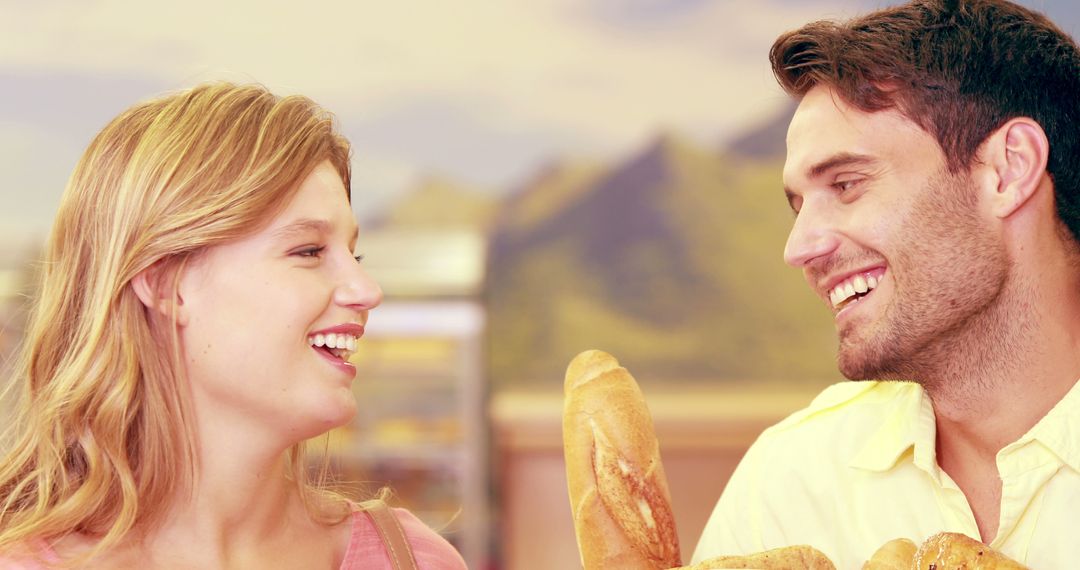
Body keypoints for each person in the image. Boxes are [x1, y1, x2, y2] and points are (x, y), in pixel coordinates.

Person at [0, 82, 467, 569]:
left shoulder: (415, 560)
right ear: (165, 285)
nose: (366, 289)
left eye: (354, 254)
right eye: (309, 251)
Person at [693, 1, 1080, 567]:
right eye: (798, 206)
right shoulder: (790, 475)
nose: (798, 248)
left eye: (846, 185)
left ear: (1009, 170)